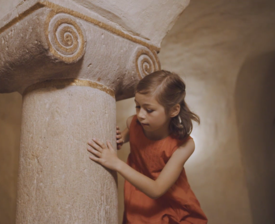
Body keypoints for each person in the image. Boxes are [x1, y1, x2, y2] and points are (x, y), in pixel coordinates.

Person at [87, 70, 208, 224]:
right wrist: (120, 138)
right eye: (138, 106)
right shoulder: (133, 123)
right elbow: (129, 134)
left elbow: (157, 189)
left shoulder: (185, 145)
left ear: (173, 110)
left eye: (149, 110)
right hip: (139, 200)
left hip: (172, 205)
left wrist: (116, 163)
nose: (141, 115)